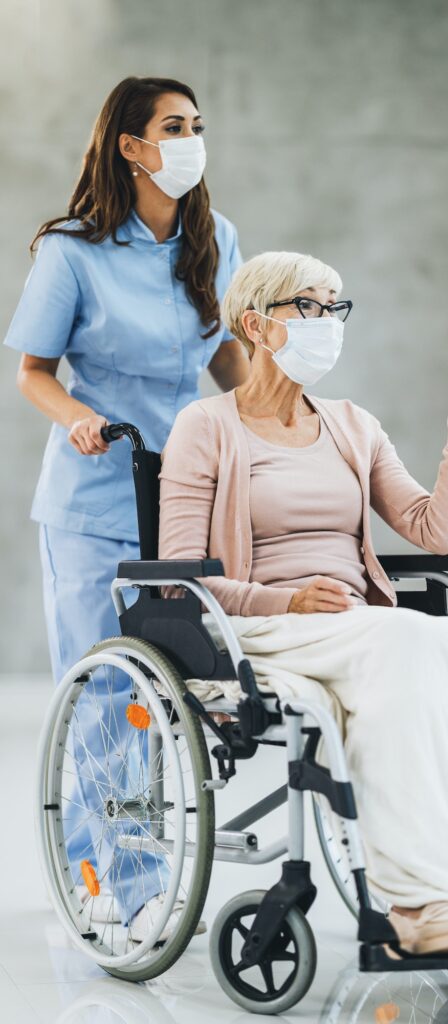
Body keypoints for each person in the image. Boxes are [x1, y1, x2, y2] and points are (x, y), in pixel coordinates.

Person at [157, 250, 448, 961]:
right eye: (308, 306)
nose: (328, 322)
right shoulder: (206, 427)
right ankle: (423, 902)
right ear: (257, 323)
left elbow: (436, 533)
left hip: (355, 627)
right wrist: (288, 598)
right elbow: (178, 577)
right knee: (400, 643)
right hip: (259, 625)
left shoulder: (352, 424)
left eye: (335, 307)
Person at [5, 76, 248, 941]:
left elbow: (227, 363)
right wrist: (79, 422)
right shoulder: (72, 250)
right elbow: (33, 369)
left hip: (184, 498)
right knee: (108, 693)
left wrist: (276, 420)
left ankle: (148, 871)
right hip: (96, 496)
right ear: (131, 146)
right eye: (173, 127)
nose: (191, 139)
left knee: (172, 694)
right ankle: (105, 879)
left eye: (197, 125)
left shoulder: (213, 238)